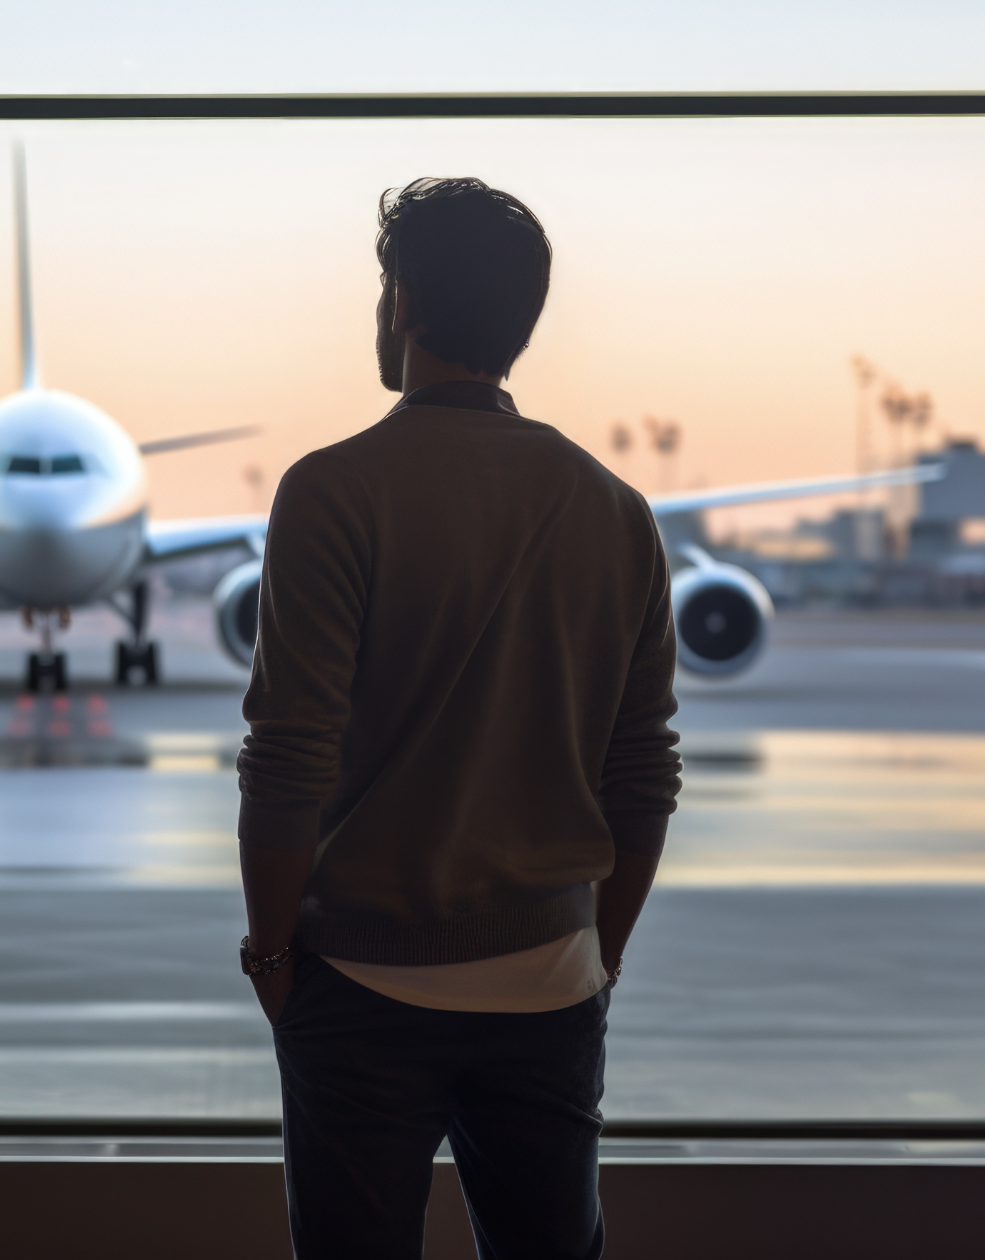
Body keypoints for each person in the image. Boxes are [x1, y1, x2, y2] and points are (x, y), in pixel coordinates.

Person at [236, 177, 682, 1260]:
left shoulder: (331, 492)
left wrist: (272, 958)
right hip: (549, 975)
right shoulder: (614, 511)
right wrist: (594, 955)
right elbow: (641, 776)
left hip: (362, 979)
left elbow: (286, 760)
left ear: (401, 301)